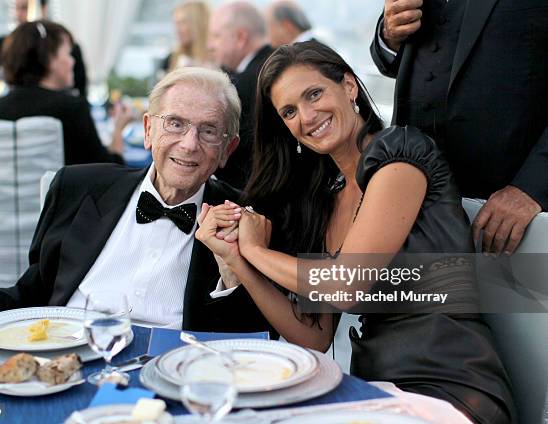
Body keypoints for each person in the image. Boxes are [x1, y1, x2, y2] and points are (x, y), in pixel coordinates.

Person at [195, 41, 514, 424]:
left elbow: (347, 285)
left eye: (314, 94)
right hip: (374, 390)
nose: (308, 116)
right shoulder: (321, 200)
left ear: (348, 86)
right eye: (290, 111)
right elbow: (314, 337)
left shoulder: (401, 154)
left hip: (449, 385)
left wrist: (258, 252)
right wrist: (238, 258)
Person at [0, 67, 271, 334]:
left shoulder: (243, 220)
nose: (188, 144)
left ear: (227, 150)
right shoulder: (77, 188)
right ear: (147, 131)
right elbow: (33, 295)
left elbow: (250, 345)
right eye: (175, 124)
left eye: (209, 131)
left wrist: (232, 278)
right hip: (63, 359)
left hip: (173, 378)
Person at [370, 0, 548, 255]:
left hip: (507, 220)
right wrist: (389, 34)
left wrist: (532, 188)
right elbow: (390, 59)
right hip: (411, 209)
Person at [0, 20, 131, 166]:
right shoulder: (71, 109)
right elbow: (111, 172)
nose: (72, 61)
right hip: (55, 194)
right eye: (68, 53)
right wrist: (118, 129)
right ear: (50, 59)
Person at [208, 1, 273, 189]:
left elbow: (231, 155)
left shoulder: (244, 84)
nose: (210, 45)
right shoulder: (275, 64)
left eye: (216, 36)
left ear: (241, 37)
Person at [0, 0, 87, 101]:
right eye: (16, 8)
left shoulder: (69, 49)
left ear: (43, 9)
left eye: (25, 8)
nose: (18, 15)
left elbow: (80, 92)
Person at [157, 0, 212, 79]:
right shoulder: (170, 59)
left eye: (183, 22)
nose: (177, 29)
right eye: (176, 23)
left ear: (199, 23)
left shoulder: (218, 59)